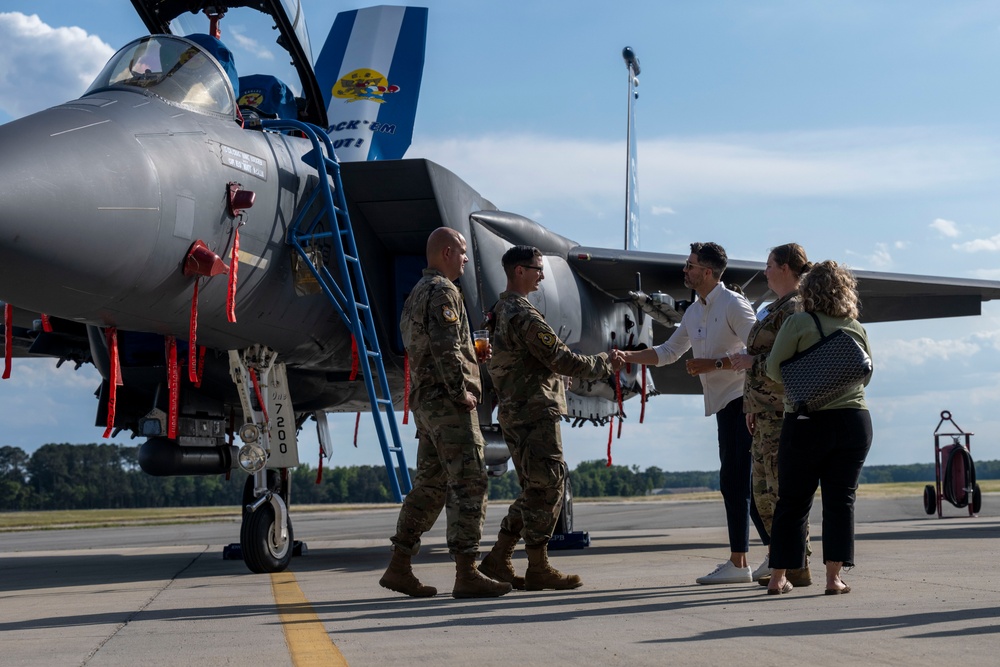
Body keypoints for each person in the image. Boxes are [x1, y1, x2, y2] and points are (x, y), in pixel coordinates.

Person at [614, 242, 766, 584]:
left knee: (737, 481)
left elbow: (758, 348)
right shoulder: (695, 311)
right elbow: (669, 352)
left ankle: (745, 561)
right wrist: (627, 356)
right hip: (724, 404)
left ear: (707, 272)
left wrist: (715, 363)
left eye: (690, 265)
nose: (684, 271)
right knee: (740, 482)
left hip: (743, 400)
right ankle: (761, 556)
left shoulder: (733, 303)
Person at [379, 227, 512, 599]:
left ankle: (399, 565)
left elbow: (432, 345)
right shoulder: (443, 291)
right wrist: (462, 389)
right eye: (464, 252)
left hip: (425, 403)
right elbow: (444, 347)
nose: (467, 259)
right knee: (471, 480)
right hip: (447, 403)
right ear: (448, 252)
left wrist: (471, 353)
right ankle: (467, 571)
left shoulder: (416, 294)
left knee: (430, 486)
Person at [478, 245, 620, 591]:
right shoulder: (522, 313)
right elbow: (560, 357)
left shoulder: (498, 312)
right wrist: (605, 362)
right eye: (536, 268)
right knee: (549, 483)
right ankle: (535, 564)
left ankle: (500, 556)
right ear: (518, 272)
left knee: (536, 487)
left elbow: (525, 362)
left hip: (516, 409)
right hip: (534, 412)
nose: (542, 274)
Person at [764, 260, 873, 596]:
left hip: (806, 421)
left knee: (793, 501)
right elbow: (866, 372)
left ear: (807, 289)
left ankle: (778, 577)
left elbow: (773, 370)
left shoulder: (799, 322)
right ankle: (833, 579)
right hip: (853, 421)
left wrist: (806, 380)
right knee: (841, 501)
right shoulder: (855, 326)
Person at [729, 243, 814, 587]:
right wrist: (751, 405)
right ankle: (787, 561)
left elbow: (795, 362)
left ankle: (796, 564)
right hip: (764, 413)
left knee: (783, 491)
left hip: (783, 413)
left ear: (785, 268)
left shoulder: (794, 308)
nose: (764, 271)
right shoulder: (773, 308)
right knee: (764, 494)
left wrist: (753, 363)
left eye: (769, 265)